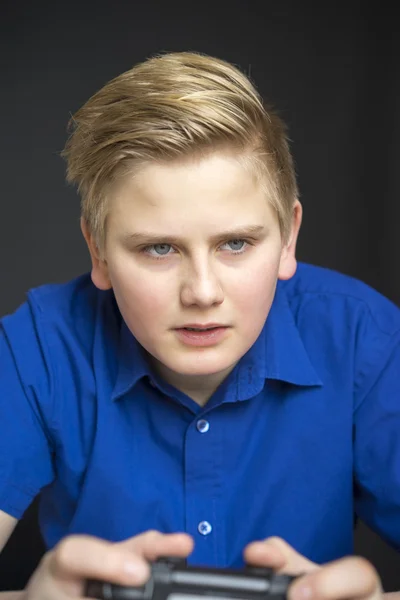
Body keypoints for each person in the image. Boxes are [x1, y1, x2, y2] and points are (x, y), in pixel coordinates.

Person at [0, 51, 399, 600]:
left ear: (288, 239)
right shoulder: (37, 348)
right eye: (159, 248)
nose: (203, 292)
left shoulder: (366, 340)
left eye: (236, 243)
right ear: (98, 251)